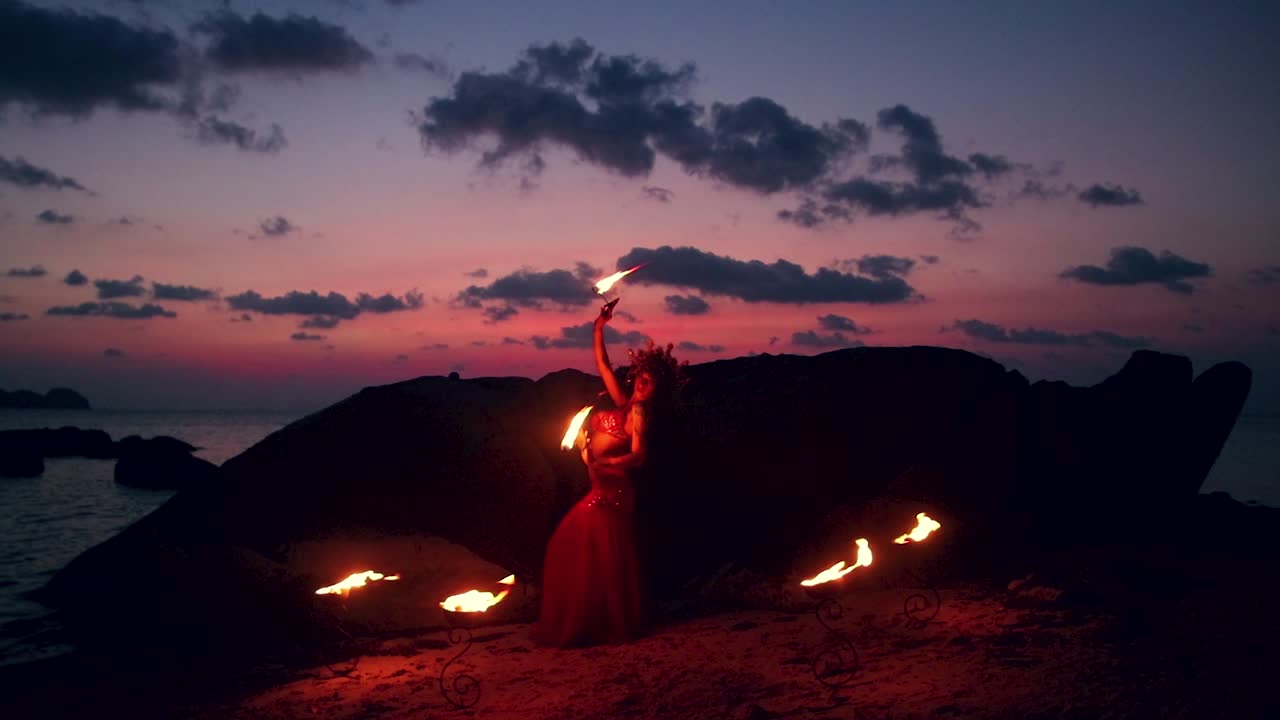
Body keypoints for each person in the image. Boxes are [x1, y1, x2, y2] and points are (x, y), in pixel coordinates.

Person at [533, 299, 684, 648]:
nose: (643, 384)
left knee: (578, 548)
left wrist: (605, 464)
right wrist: (598, 327)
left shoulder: (640, 413)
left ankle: (602, 622)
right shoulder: (624, 404)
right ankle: (597, 620)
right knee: (589, 555)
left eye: (651, 382)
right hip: (599, 486)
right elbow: (602, 365)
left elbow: (639, 456)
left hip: (612, 492)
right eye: (642, 377)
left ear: (657, 388)